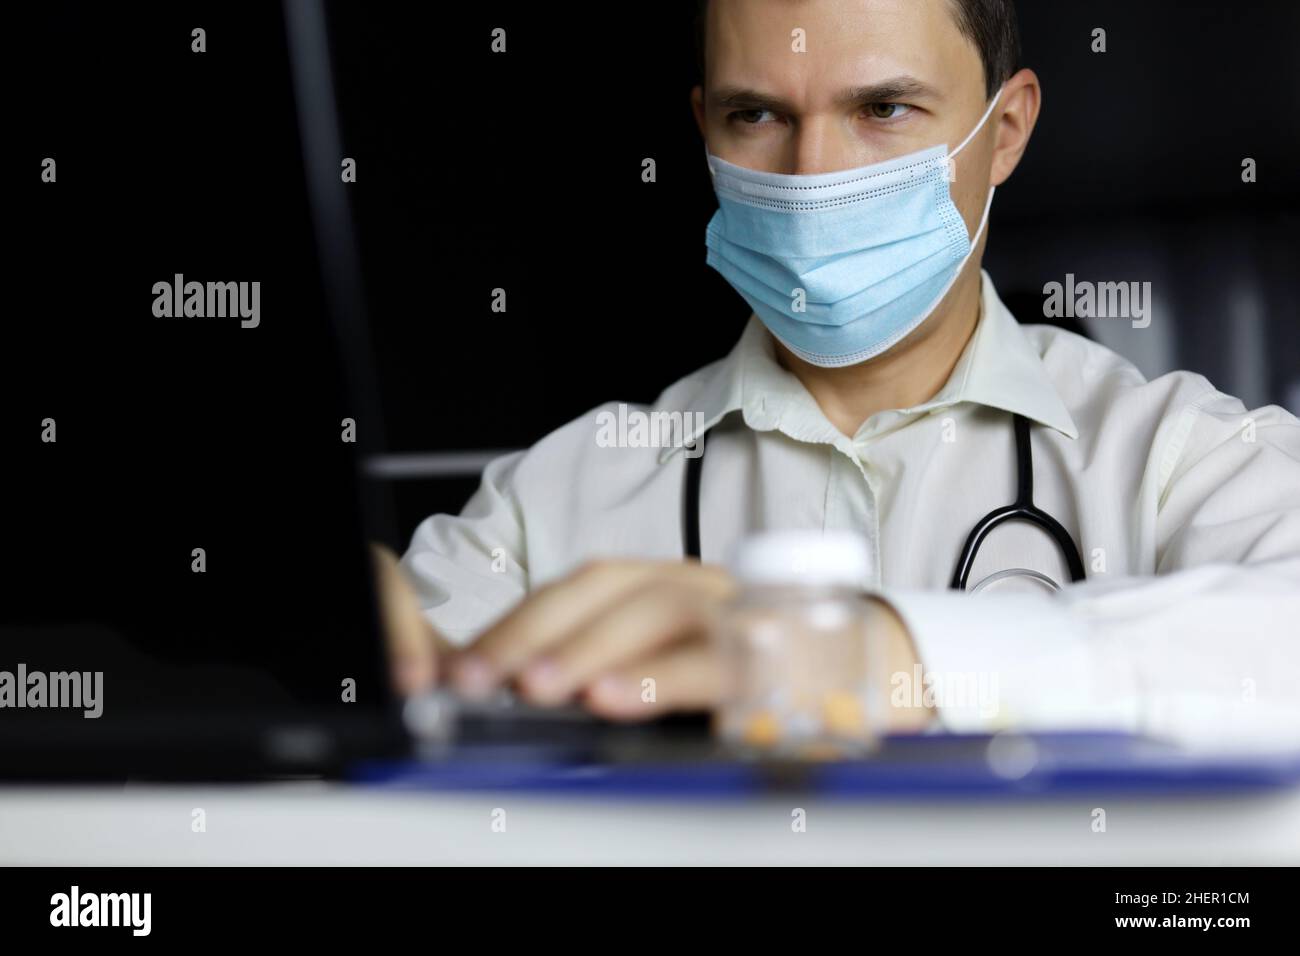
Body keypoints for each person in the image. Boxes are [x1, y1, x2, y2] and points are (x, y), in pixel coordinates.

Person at [373, 0, 1300, 748]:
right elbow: (360, 745)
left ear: (1006, 129)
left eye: (882, 109)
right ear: (704, 128)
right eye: (758, 115)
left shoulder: (1181, 457)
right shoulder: (551, 501)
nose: (811, 174)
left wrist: (894, 658)